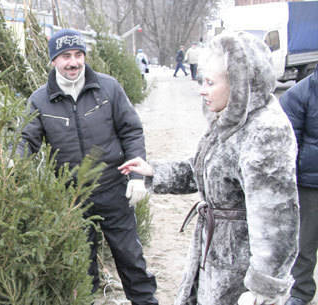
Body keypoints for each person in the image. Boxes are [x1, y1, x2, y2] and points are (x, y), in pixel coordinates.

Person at [119, 31, 299, 305]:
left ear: (239, 84)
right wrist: (154, 172)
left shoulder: (265, 131)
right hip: (215, 253)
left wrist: (264, 289)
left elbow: (277, 219)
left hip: (240, 268)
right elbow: (205, 171)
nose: (202, 89)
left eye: (210, 82)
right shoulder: (229, 121)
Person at [20, 28, 159, 305]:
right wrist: (11, 164)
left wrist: (134, 176)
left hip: (113, 187)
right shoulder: (40, 100)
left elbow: (131, 131)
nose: (73, 62)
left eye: (78, 54)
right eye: (65, 56)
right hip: (71, 196)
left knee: (130, 256)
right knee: (81, 264)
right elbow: (25, 139)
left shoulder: (108, 88)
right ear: (53, 61)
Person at [279, 67, 318, 305]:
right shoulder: (299, 95)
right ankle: (300, 293)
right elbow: (288, 146)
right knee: (304, 243)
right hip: (310, 184)